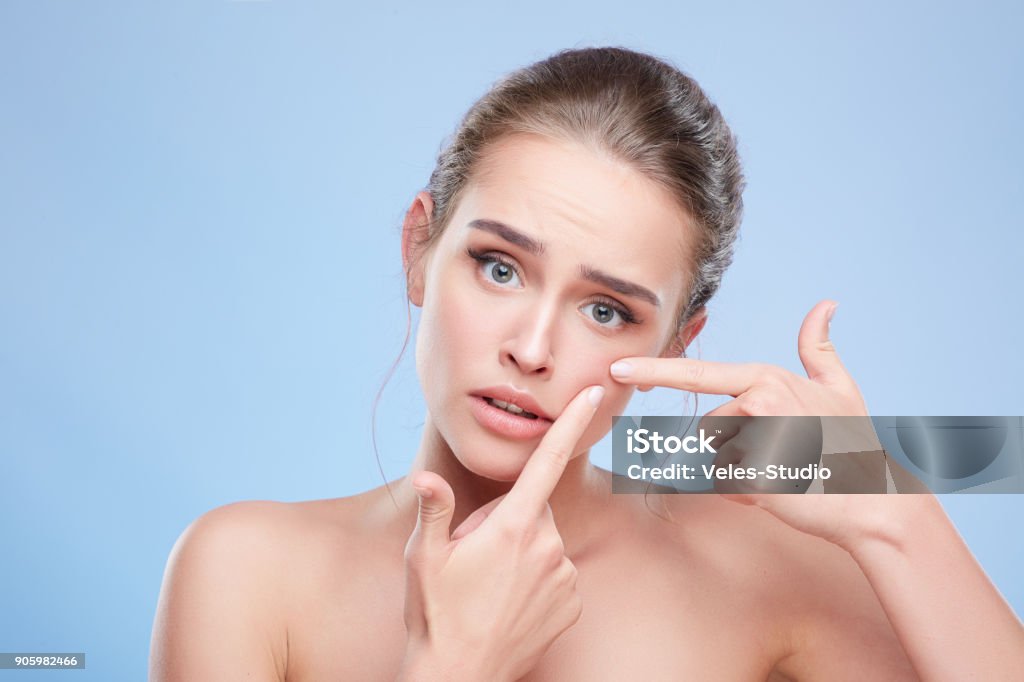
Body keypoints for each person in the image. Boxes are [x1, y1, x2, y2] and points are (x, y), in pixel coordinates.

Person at [148, 47, 1024, 681]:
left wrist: (891, 515)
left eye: (606, 310)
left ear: (675, 347)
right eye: (498, 267)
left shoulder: (766, 577)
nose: (531, 349)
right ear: (421, 249)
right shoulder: (245, 573)